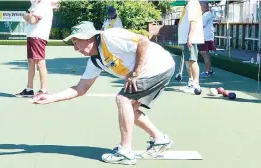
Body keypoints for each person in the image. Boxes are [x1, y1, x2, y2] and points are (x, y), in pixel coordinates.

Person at [30, 21, 176, 165]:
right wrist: (50, 98)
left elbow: (143, 41)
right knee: (129, 110)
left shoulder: (110, 37)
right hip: (154, 69)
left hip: (157, 66)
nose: (75, 48)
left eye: (76, 42)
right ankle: (160, 139)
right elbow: (80, 88)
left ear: (88, 37)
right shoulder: (95, 61)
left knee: (123, 100)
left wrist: (136, 72)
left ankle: (125, 152)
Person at [15, 0, 53, 97]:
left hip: (38, 36)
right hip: (32, 36)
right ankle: (29, 89)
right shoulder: (35, 4)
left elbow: (32, 20)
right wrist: (29, 16)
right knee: (31, 62)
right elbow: (26, 16)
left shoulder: (44, 4)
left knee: (40, 62)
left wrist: (29, 16)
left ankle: (43, 90)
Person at [177, 0, 204, 93]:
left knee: (192, 60)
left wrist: (190, 37)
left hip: (191, 38)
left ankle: (196, 85)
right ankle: (190, 82)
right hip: (186, 38)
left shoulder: (192, 3)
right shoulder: (189, 4)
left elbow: (193, 21)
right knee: (188, 61)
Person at [199, 2, 216, 78]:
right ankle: (209, 70)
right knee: (205, 54)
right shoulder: (206, 14)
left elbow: (201, 25)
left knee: (204, 53)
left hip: (206, 38)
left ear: (204, 7)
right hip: (206, 37)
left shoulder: (206, 14)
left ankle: (207, 72)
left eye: (201, 6)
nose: (200, 8)